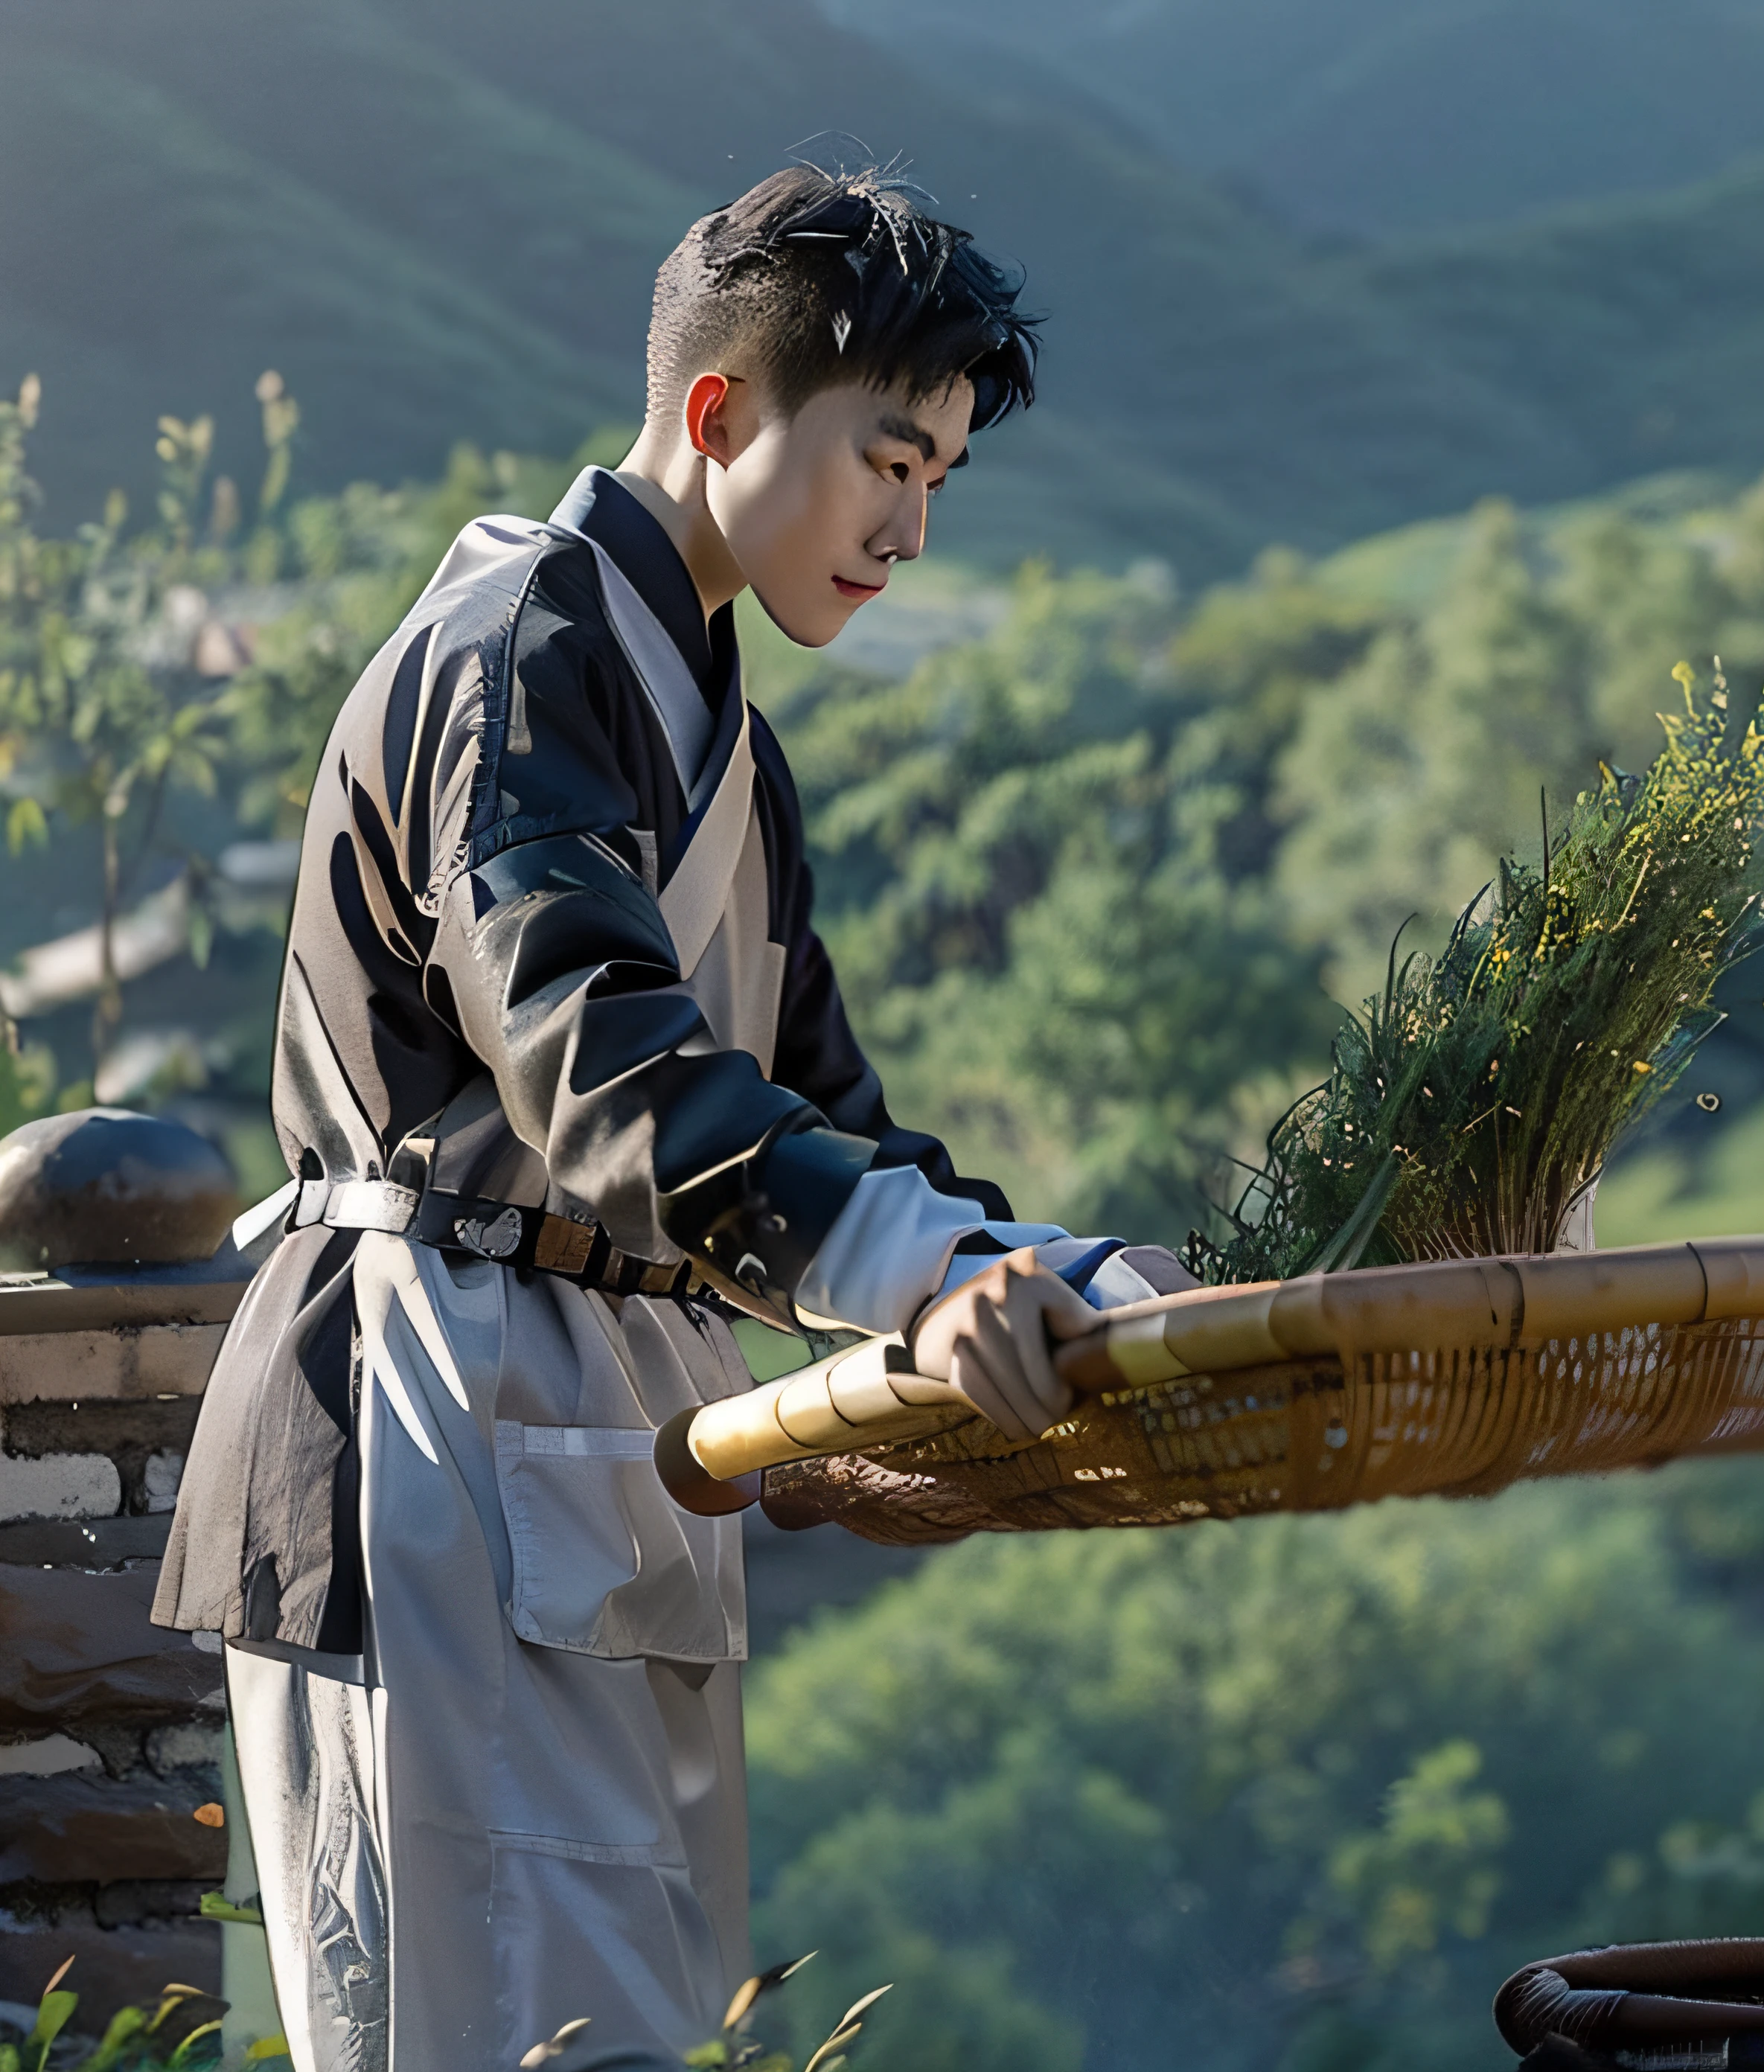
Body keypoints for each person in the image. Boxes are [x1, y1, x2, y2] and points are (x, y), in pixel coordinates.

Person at [153, 163, 1177, 2071]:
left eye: (941, 481)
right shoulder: (507, 662)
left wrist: (1087, 1280)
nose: (913, 528)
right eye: (889, 461)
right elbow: (595, 1053)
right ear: (720, 416)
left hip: (615, 1444)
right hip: (429, 1415)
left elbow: (818, 1116)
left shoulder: (724, 742)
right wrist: (917, 1279)